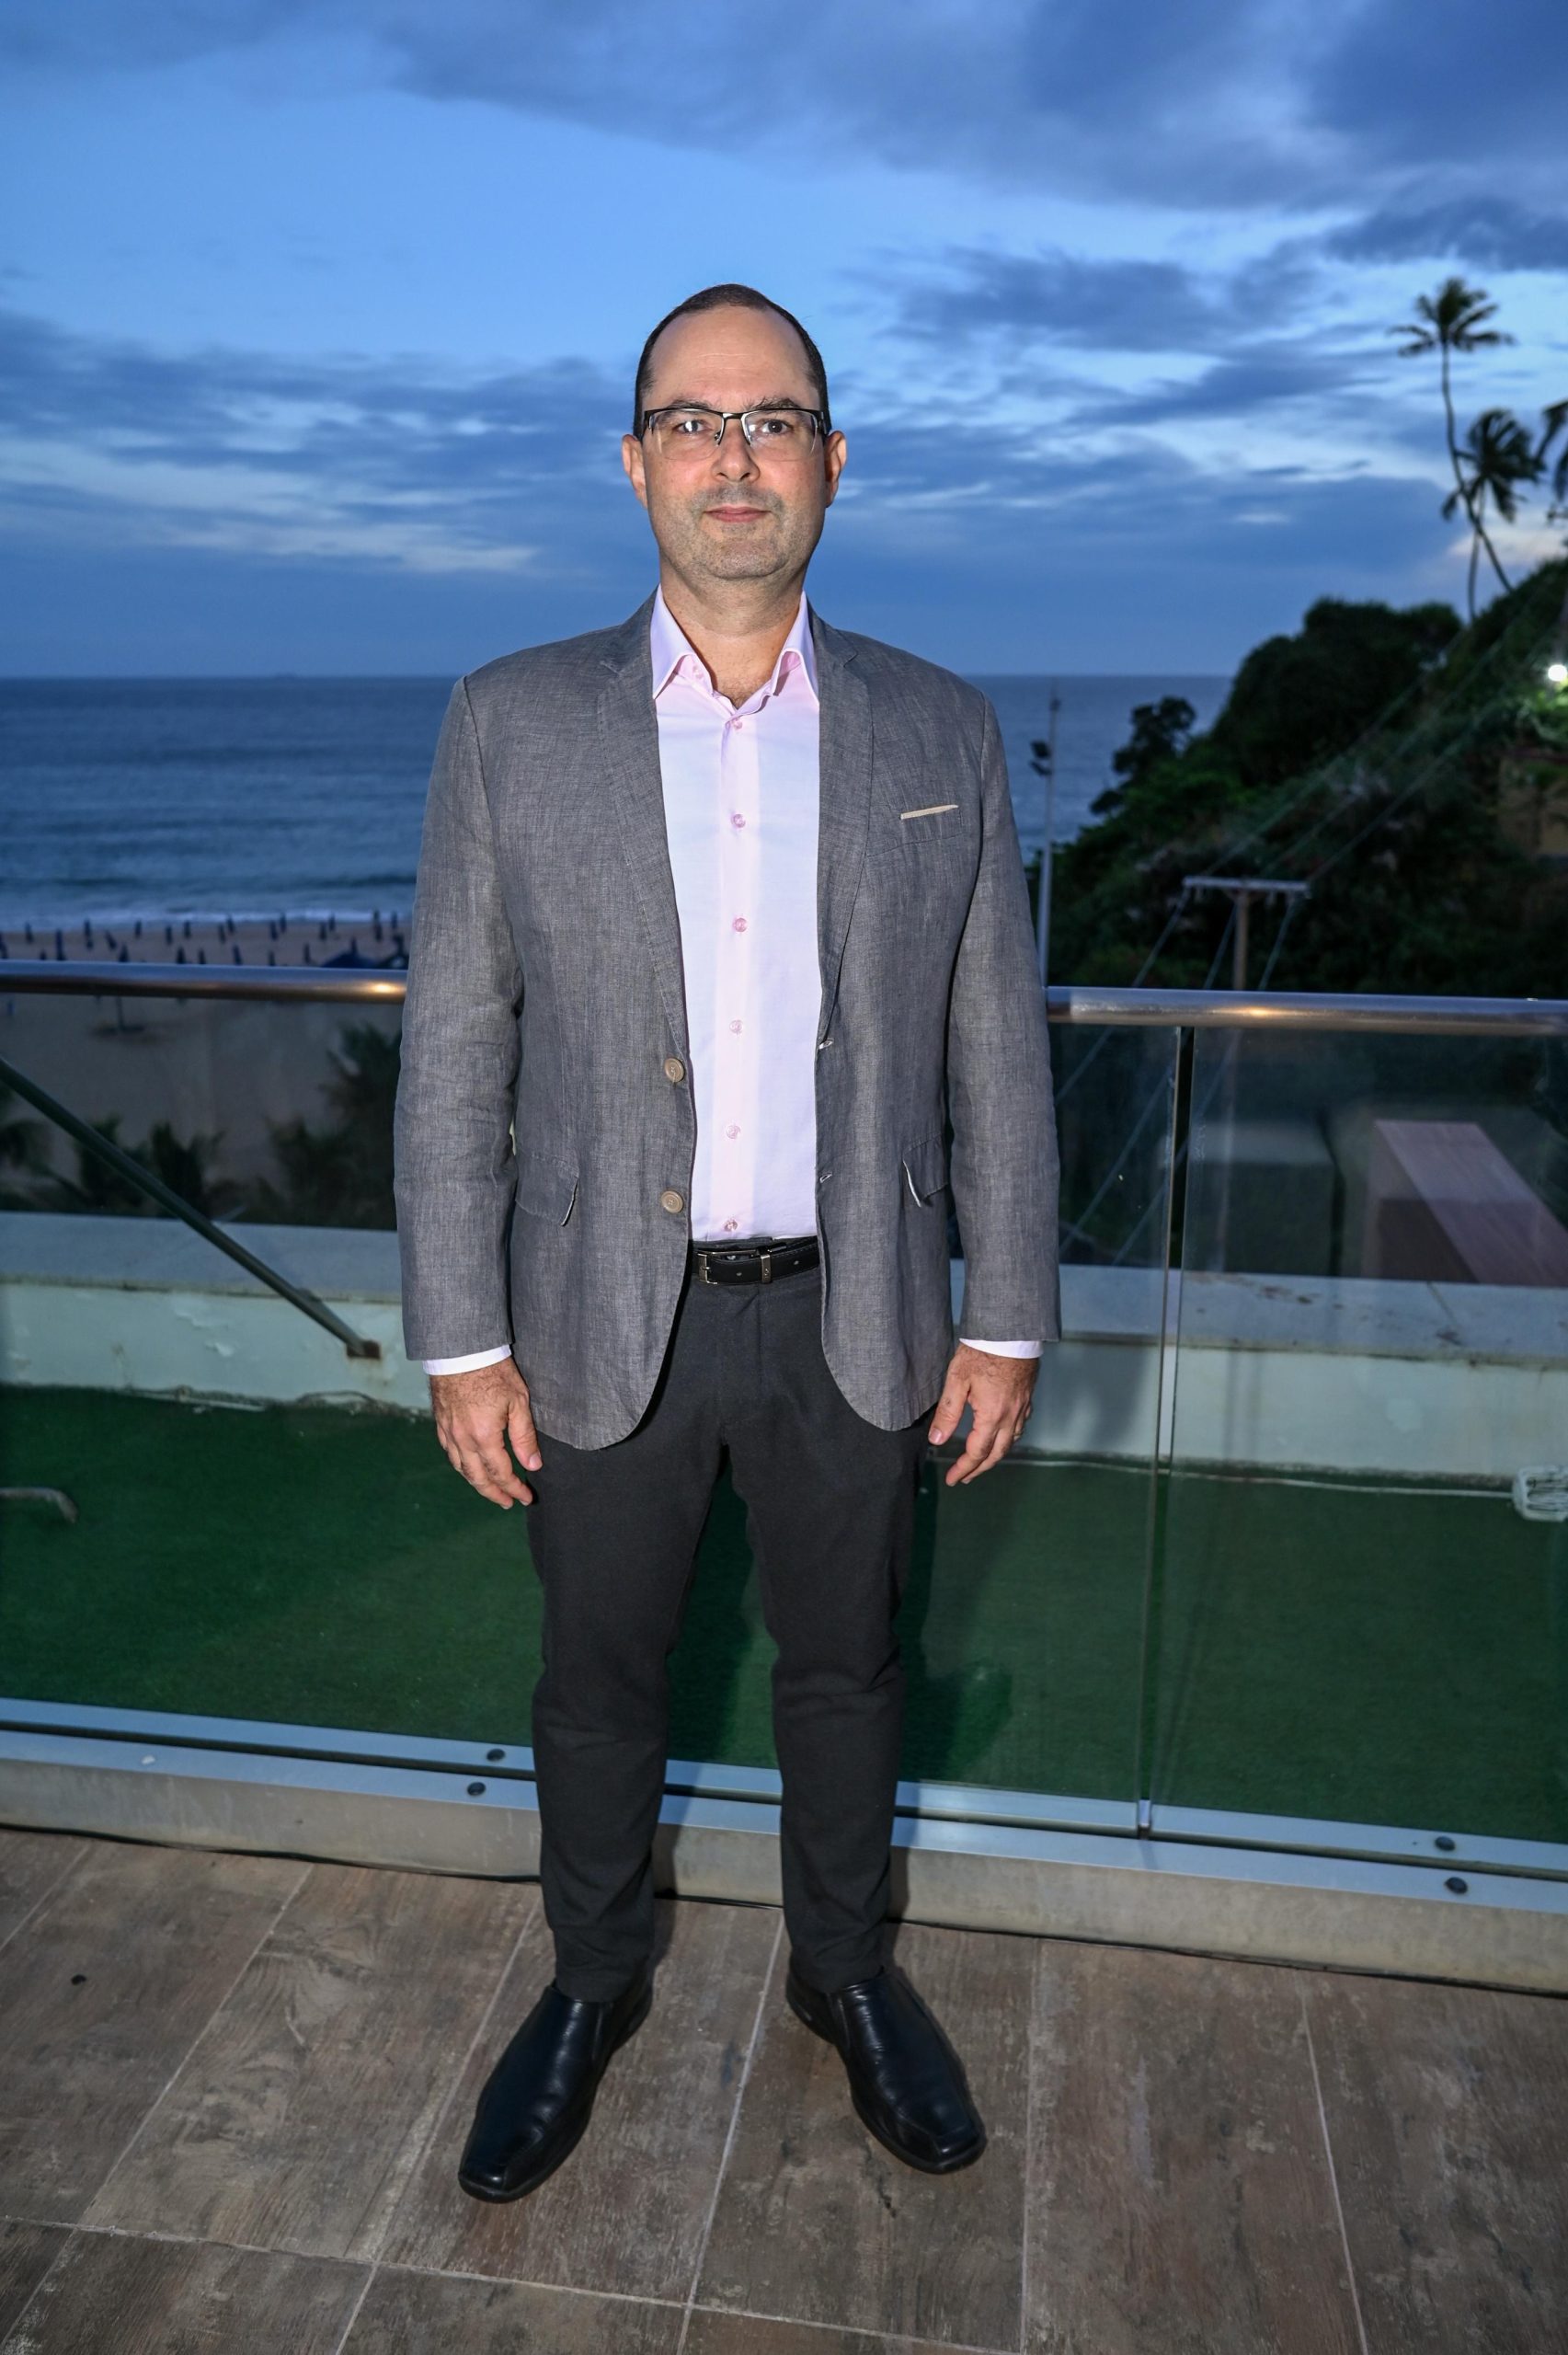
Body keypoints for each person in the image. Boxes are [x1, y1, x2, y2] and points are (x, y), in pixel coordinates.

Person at [394, 282, 1059, 2200]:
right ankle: (592, 1981)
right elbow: (455, 1046)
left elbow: (992, 1047)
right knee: (596, 1679)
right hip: (600, 1314)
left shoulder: (939, 723)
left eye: (772, 421)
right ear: (635, 463)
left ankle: (840, 1969)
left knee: (850, 1668)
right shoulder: (510, 719)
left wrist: (1006, 1314)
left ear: (832, 462)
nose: (734, 457)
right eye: (694, 420)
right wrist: (460, 1339)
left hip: (862, 1309)